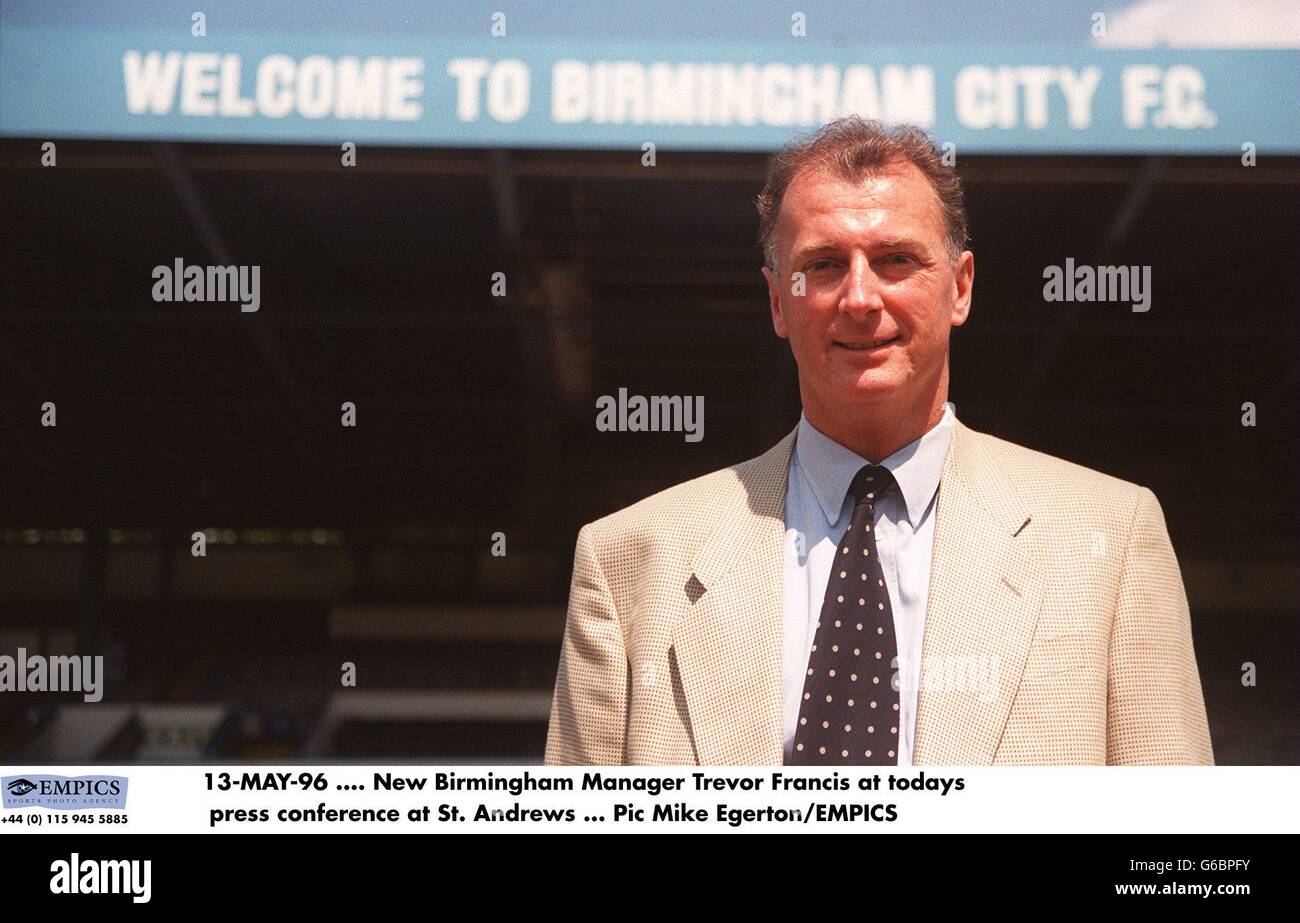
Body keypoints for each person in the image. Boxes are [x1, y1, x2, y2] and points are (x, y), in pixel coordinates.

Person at [544, 117, 1213, 766]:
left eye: (896, 259)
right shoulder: (628, 561)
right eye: (825, 265)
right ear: (779, 300)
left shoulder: (1111, 540)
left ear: (961, 286)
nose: (860, 297)